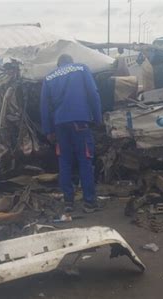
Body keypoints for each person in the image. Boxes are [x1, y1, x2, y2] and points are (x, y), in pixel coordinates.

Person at [40, 54, 102, 213]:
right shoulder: (82, 68)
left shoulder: (48, 78)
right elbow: (93, 94)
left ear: (58, 64)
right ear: (70, 62)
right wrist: (98, 119)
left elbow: (44, 107)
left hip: (60, 124)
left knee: (65, 162)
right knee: (85, 160)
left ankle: (68, 202)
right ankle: (89, 202)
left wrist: (48, 131)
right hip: (80, 121)